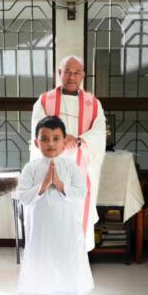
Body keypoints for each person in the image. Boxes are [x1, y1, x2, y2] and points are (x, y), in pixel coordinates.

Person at [17, 116, 94, 295]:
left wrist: (59, 185)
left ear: (64, 141)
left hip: (67, 230)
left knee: (70, 267)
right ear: (36, 142)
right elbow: (22, 196)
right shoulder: (30, 168)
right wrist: (42, 186)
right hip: (41, 231)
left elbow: (80, 194)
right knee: (44, 267)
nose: (50, 143)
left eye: (56, 138)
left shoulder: (72, 167)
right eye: (45, 139)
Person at [30, 55, 106, 252]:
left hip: (81, 169)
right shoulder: (45, 101)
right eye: (67, 72)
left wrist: (79, 141)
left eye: (76, 72)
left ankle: (76, 261)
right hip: (51, 168)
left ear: (83, 75)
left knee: (77, 213)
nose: (72, 77)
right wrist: (61, 139)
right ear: (59, 74)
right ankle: (51, 263)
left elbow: (99, 133)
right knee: (52, 216)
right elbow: (37, 132)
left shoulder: (93, 103)